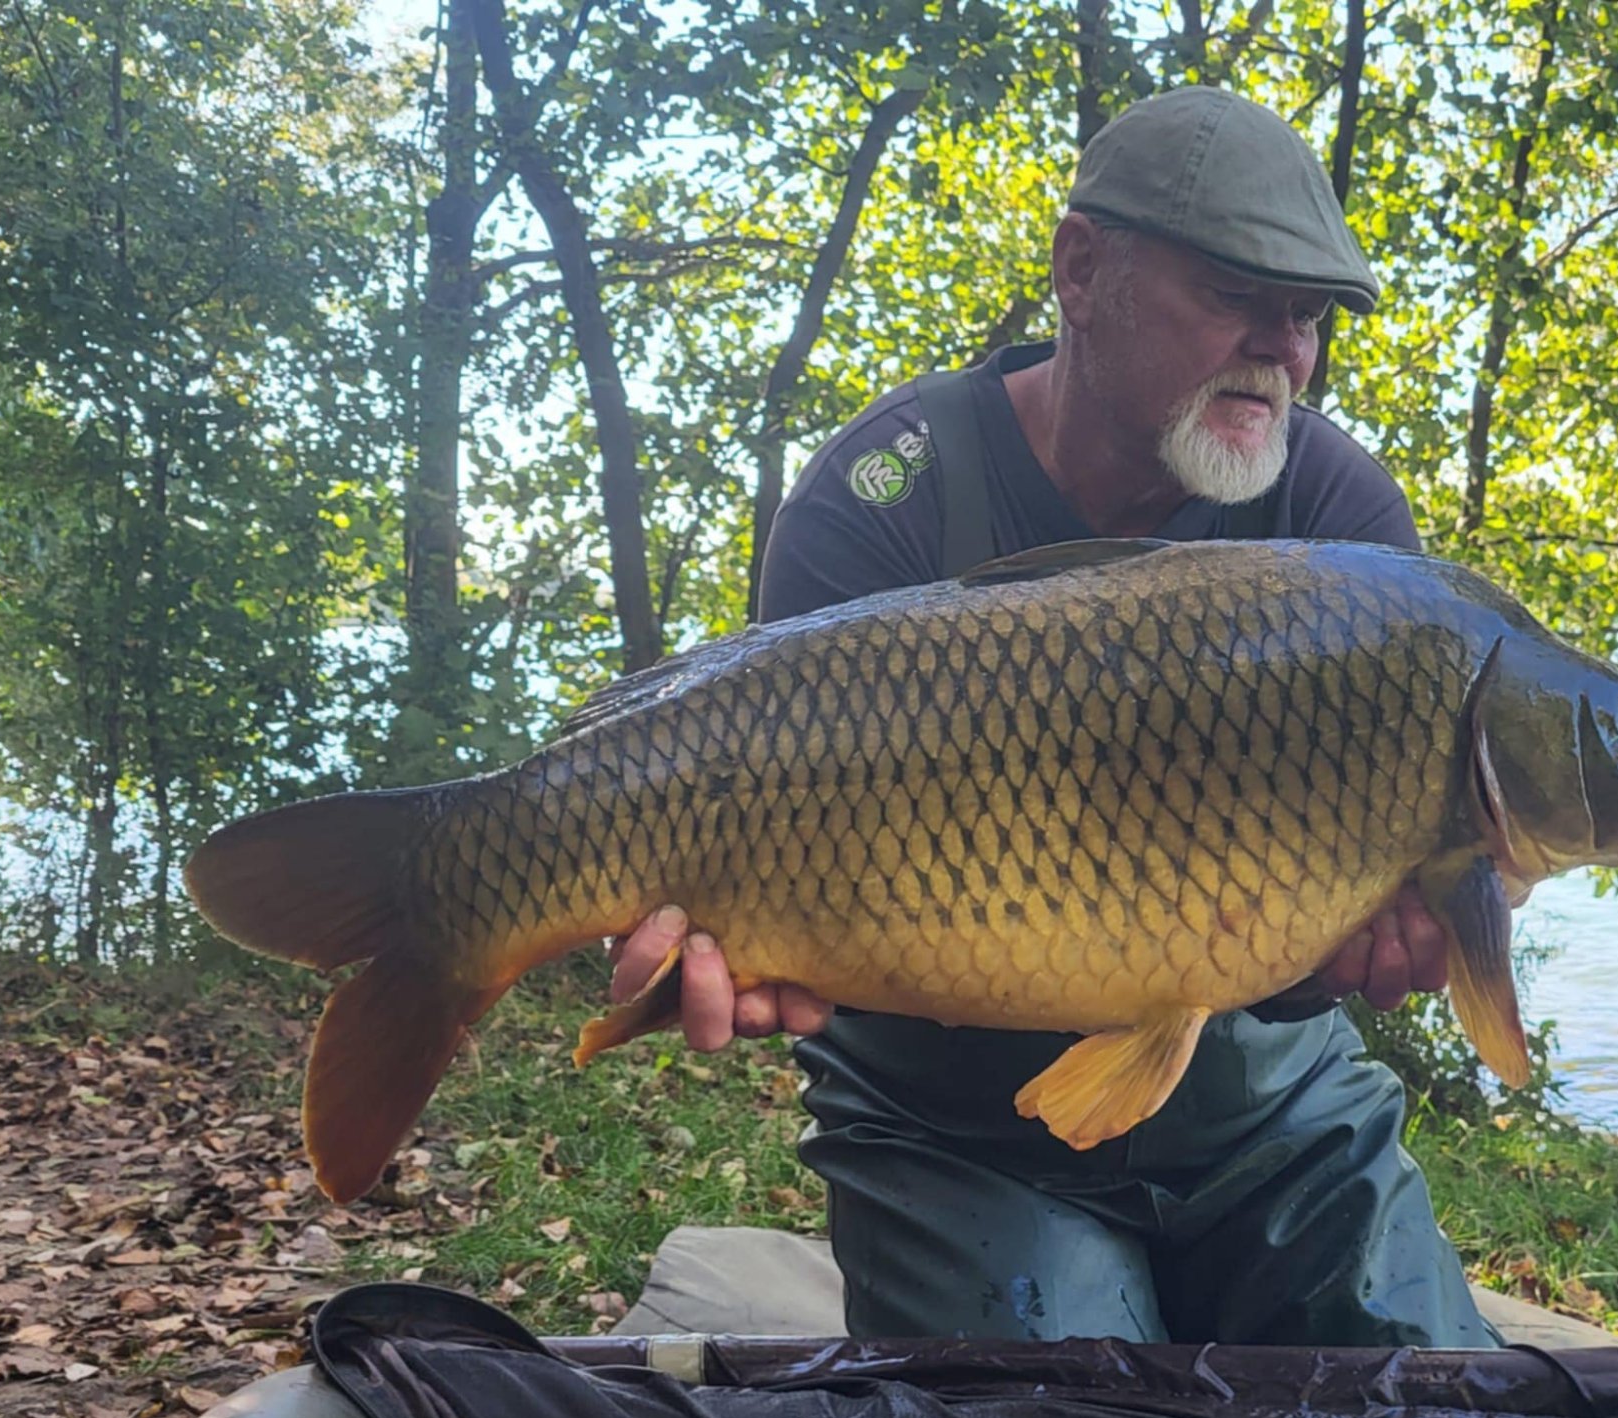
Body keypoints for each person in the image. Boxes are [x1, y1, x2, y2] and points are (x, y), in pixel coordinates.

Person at [609, 86, 1497, 1349]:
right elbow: (751, 832)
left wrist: (1376, 946)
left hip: (1266, 1112)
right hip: (953, 1130)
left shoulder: (1335, 516)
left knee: (1438, 1409)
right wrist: (731, 949)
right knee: (1057, 1417)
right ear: (1081, 266)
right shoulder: (881, 502)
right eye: (1235, 295)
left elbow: (1338, 938)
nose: (1281, 351)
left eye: (1303, 318)